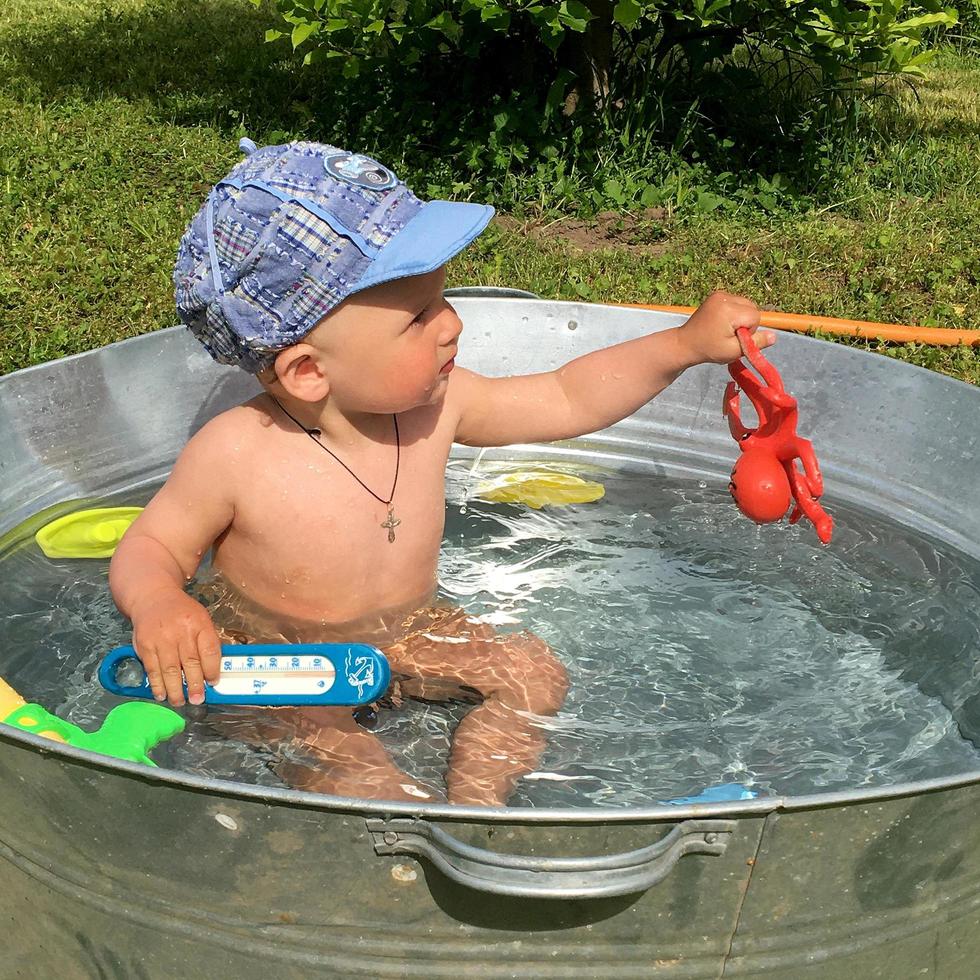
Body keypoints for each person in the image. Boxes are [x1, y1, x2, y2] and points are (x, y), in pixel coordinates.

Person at [109, 139, 772, 806]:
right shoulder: (237, 452)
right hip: (279, 660)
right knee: (339, 754)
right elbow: (152, 546)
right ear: (309, 371)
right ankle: (406, 817)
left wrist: (683, 345)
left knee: (532, 668)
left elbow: (569, 396)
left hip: (412, 630)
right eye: (419, 317)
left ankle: (479, 802)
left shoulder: (442, 406)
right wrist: (161, 602)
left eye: (441, 298)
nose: (453, 324)